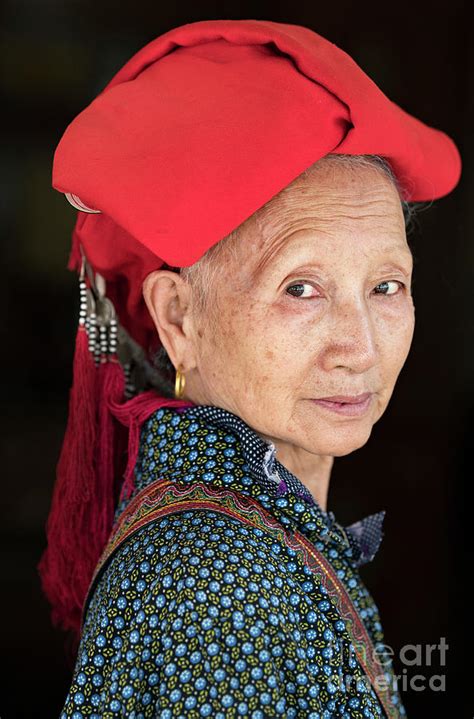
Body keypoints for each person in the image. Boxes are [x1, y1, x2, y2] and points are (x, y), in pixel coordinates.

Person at [38, 19, 461, 718]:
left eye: (387, 286)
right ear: (179, 319)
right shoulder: (216, 582)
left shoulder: (264, 533)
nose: (359, 346)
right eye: (301, 288)